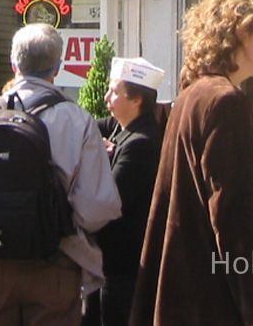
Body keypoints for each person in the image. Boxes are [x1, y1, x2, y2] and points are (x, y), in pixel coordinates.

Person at [0, 23, 121, 326]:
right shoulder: (77, 121)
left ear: (13, 64)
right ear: (57, 68)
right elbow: (96, 208)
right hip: (54, 263)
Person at [131, 0, 253, 326]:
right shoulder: (225, 101)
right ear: (240, 35)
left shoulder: (192, 96)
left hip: (182, 295)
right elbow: (233, 215)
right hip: (212, 304)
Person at [84, 57, 163, 326]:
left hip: (122, 269)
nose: (107, 97)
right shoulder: (121, 129)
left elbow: (110, 201)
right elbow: (87, 126)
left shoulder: (141, 143)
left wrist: (101, 159)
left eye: (115, 91)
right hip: (107, 266)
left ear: (137, 99)